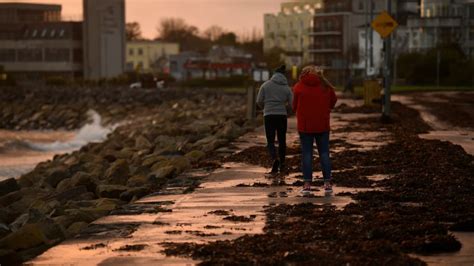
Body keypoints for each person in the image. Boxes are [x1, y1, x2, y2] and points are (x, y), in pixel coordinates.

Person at [292, 65, 337, 195]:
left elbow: (294, 106)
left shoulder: (298, 87)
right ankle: (327, 184)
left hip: (305, 127)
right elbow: (333, 102)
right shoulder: (325, 86)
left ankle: (307, 185)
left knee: (307, 154)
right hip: (322, 125)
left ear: (303, 74)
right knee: (324, 153)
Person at [256, 65, 293, 174]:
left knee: (270, 141)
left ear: (274, 74)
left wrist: (265, 108)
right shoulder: (286, 88)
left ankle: (274, 159)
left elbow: (259, 101)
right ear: (283, 75)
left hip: (268, 115)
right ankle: (282, 163)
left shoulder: (265, 85)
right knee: (282, 140)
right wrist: (286, 109)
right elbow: (292, 103)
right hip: (281, 115)